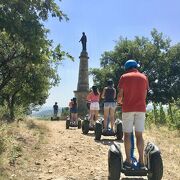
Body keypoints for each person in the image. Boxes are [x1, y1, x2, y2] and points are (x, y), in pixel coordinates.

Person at [117, 59, 149, 170]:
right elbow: (144, 96)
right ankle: (141, 162)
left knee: (127, 135)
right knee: (139, 135)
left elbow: (120, 96)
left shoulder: (124, 77)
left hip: (128, 109)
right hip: (141, 109)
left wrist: (120, 102)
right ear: (136, 66)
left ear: (126, 68)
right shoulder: (144, 77)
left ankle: (128, 161)